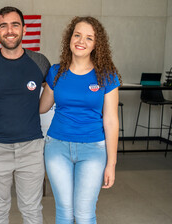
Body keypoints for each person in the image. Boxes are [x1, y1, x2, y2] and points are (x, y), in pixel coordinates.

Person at [40, 16, 121, 224]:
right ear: (69, 38)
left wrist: (111, 163)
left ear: (96, 44)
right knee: (65, 211)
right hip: (56, 147)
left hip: (93, 150)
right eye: (77, 35)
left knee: (85, 214)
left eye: (88, 38)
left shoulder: (106, 75)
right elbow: (42, 107)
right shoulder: (56, 72)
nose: (81, 41)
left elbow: (111, 121)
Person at [0, 6, 51, 224]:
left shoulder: (40, 62)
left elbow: (55, 92)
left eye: (15, 25)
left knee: (31, 208)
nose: (9, 30)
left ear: (24, 28)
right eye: (3, 25)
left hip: (31, 148)